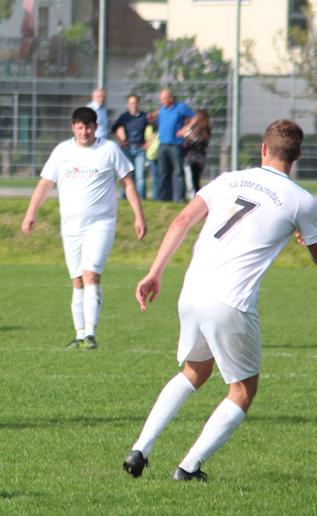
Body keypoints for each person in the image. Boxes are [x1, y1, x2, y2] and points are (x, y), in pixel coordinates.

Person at [124, 119, 317, 482]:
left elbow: (182, 220)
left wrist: (154, 272)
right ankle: (188, 467)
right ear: (298, 156)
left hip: (192, 290)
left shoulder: (228, 179)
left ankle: (140, 448)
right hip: (230, 300)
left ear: (263, 148)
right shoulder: (301, 201)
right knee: (243, 390)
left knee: (194, 372)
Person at [22, 107, 147, 350]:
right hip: (70, 228)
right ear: (73, 128)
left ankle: (91, 333)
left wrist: (138, 216)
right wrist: (30, 213)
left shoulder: (109, 150)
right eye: (80, 127)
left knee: (91, 276)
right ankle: (79, 335)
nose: (84, 132)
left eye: (88, 127)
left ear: (95, 127)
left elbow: (128, 183)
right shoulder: (62, 151)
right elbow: (45, 183)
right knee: (77, 280)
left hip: (101, 225)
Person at [156, 89, 195, 202]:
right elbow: (159, 124)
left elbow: (194, 117)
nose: (161, 101)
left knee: (178, 172)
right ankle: (162, 198)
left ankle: (180, 198)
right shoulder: (161, 110)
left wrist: (186, 129)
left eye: (163, 99)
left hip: (176, 145)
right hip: (163, 144)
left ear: (170, 99)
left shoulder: (180, 107)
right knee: (162, 173)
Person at [111, 94, 149, 199]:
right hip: (127, 149)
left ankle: (141, 199)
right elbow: (113, 129)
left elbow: (155, 129)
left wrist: (149, 143)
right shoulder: (124, 117)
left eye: (135, 102)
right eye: (131, 103)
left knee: (140, 176)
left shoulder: (144, 116)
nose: (134, 105)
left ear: (138, 104)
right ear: (128, 104)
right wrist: (119, 141)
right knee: (126, 176)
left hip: (140, 150)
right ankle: (125, 198)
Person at [182, 109, 211, 200]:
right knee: (194, 179)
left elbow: (190, 139)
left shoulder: (202, 131)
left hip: (194, 158)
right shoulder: (199, 129)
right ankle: (195, 196)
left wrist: (190, 128)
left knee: (192, 180)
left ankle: (194, 198)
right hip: (196, 157)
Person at [145, 111, 161, 201]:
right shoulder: (149, 128)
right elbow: (147, 140)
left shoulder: (161, 127)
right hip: (152, 155)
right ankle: (156, 198)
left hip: (159, 155)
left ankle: (159, 197)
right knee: (156, 177)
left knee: (159, 178)